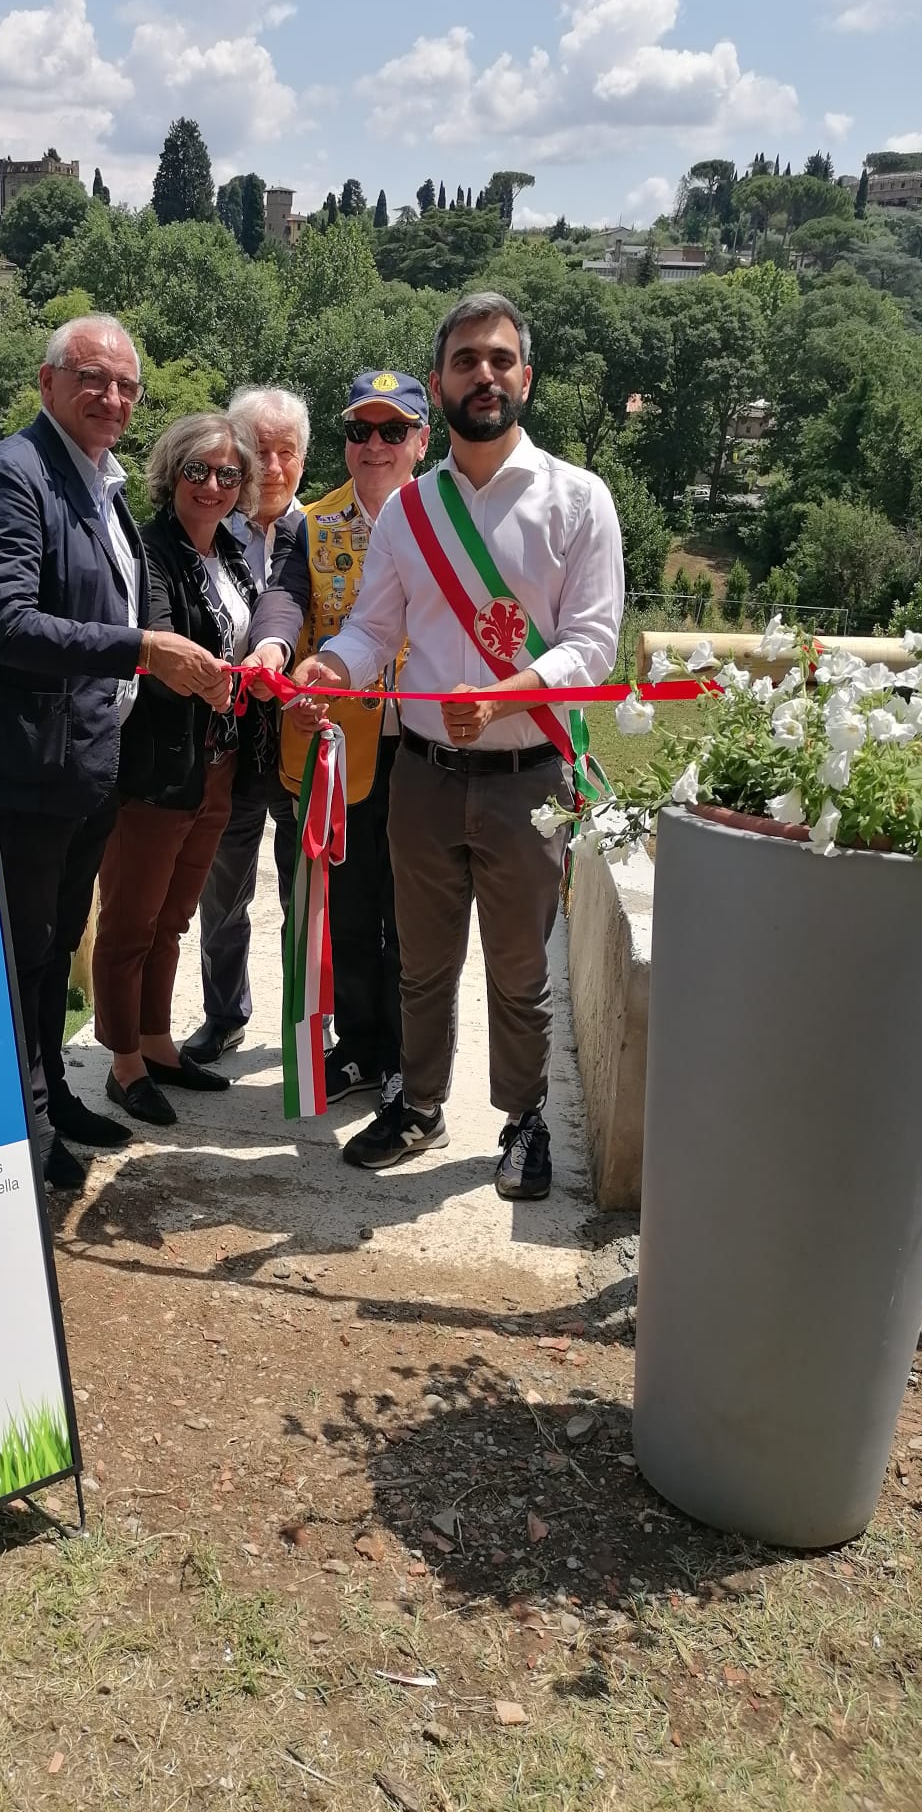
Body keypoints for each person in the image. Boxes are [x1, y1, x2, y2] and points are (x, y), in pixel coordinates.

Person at [290, 294, 625, 1198]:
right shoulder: (408, 512)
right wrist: (333, 668)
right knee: (424, 962)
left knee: (521, 973)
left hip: (529, 779)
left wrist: (505, 693)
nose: (485, 374)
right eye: (467, 360)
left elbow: (594, 647)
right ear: (438, 384)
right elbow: (371, 629)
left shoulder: (579, 499)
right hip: (425, 778)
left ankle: (522, 1120)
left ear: (526, 377)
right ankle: (419, 1103)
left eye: (501, 359)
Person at [0, 315, 230, 1191]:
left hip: (87, 766)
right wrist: (143, 652)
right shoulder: (12, 475)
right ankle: (18, 1128)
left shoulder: (101, 483)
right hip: (27, 769)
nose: (111, 398)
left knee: (57, 941)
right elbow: (5, 624)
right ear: (47, 383)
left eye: (125, 386)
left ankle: (50, 1100)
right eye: (91, 379)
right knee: (20, 951)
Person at [245, 369, 432, 1109]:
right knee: (348, 911)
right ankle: (358, 1047)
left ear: (422, 440)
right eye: (361, 430)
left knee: (412, 915)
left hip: (427, 745)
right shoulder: (310, 523)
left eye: (393, 430)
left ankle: (409, 1061)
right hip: (342, 753)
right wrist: (274, 651)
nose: (375, 445)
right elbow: (285, 598)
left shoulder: (446, 522)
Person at [92, 412, 263, 1125]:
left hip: (215, 766)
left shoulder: (232, 551)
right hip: (155, 768)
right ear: (173, 474)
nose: (213, 486)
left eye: (229, 474)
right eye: (198, 470)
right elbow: (158, 654)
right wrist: (216, 678)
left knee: (173, 919)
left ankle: (159, 1042)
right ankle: (123, 1062)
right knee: (131, 921)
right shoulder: (148, 550)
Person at [183, 385, 309, 1066]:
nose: (274, 464)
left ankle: (303, 1023)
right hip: (224, 747)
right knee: (222, 889)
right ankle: (223, 1013)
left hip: (298, 744)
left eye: (287, 451)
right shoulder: (208, 526)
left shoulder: (319, 534)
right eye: (259, 450)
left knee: (304, 895)